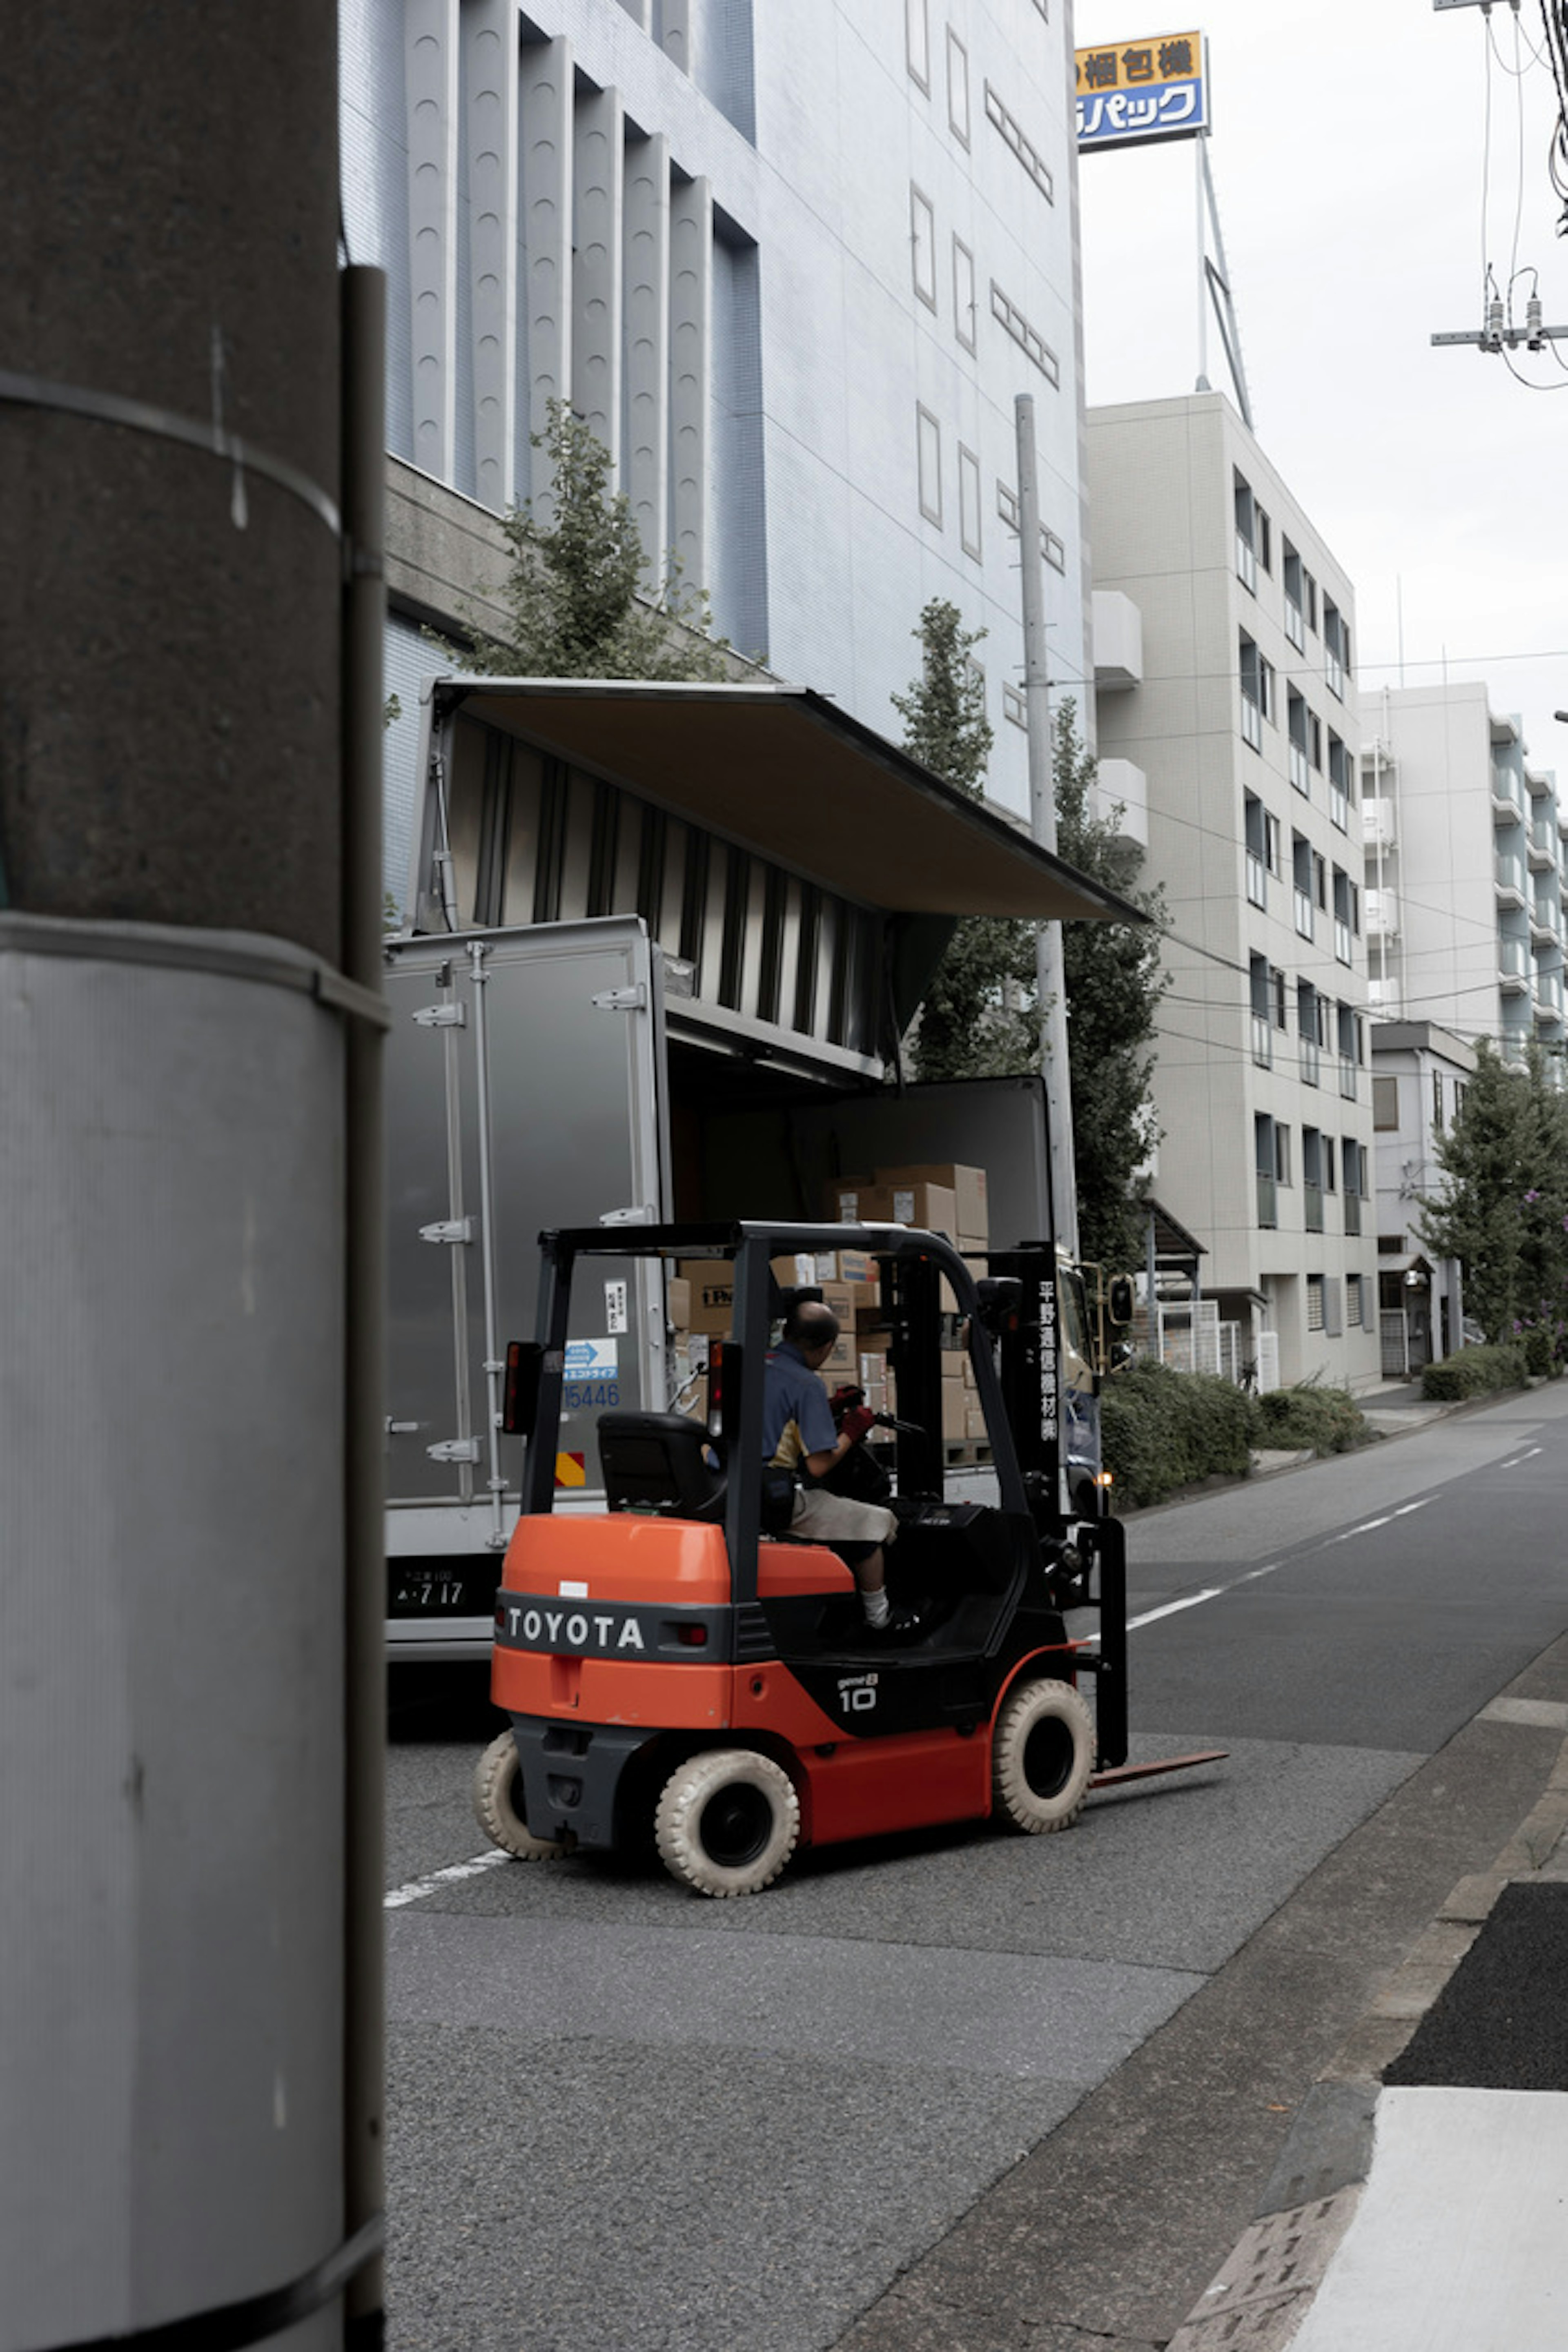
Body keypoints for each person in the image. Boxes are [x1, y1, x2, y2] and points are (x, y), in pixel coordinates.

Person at [761, 1298, 920, 1642]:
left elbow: (774, 1421)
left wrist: (828, 1409)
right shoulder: (806, 1383)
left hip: (736, 1485)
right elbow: (819, 1465)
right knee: (873, 1522)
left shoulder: (752, 1367)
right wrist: (853, 1428)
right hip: (773, 1496)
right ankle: (879, 1619)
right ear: (828, 1347)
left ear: (786, 1332)